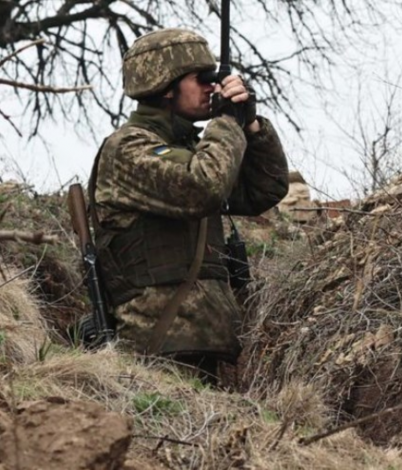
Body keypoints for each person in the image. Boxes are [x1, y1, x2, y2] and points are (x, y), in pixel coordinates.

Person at [88, 28, 289, 383]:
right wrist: (227, 122)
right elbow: (203, 186)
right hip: (153, 352)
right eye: (202, 78)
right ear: (165, 86)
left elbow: (265, 189)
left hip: (205, 344)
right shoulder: (128, 150)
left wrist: (252, 125)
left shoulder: (195, 150)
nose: (213, 87)